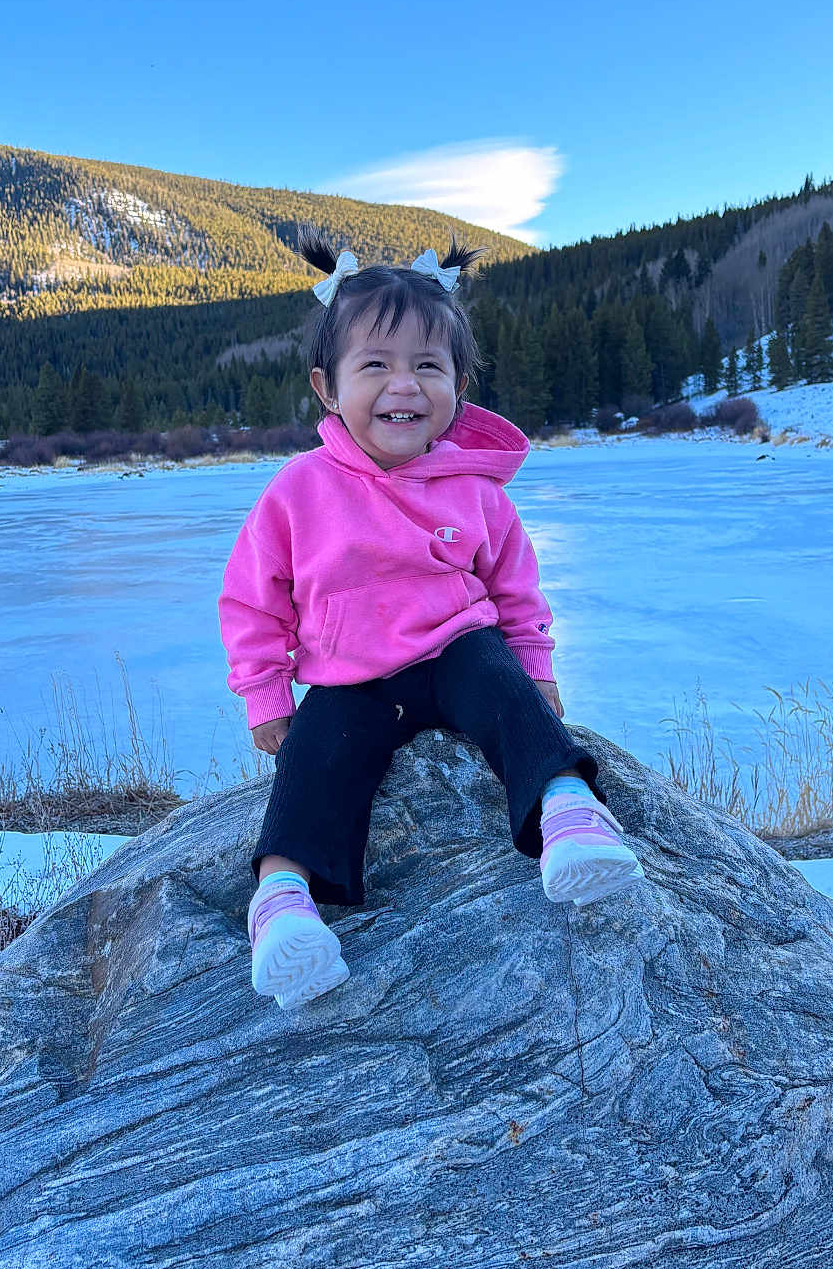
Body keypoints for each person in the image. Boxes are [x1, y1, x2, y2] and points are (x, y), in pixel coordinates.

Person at [217, 226, 643, 1010]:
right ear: (327, 388)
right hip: (352, 680)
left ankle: (568, 813)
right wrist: (266, 695)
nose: (402, 386)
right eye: (374, 365)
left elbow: (516, 591)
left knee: (503, 688)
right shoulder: (299, 491)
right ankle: (282, 903)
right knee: (314, 758)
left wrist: (538, 670)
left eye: (427, 366)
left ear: (459, 385)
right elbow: (253, 597)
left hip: (457, 653)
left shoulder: (475, 490)